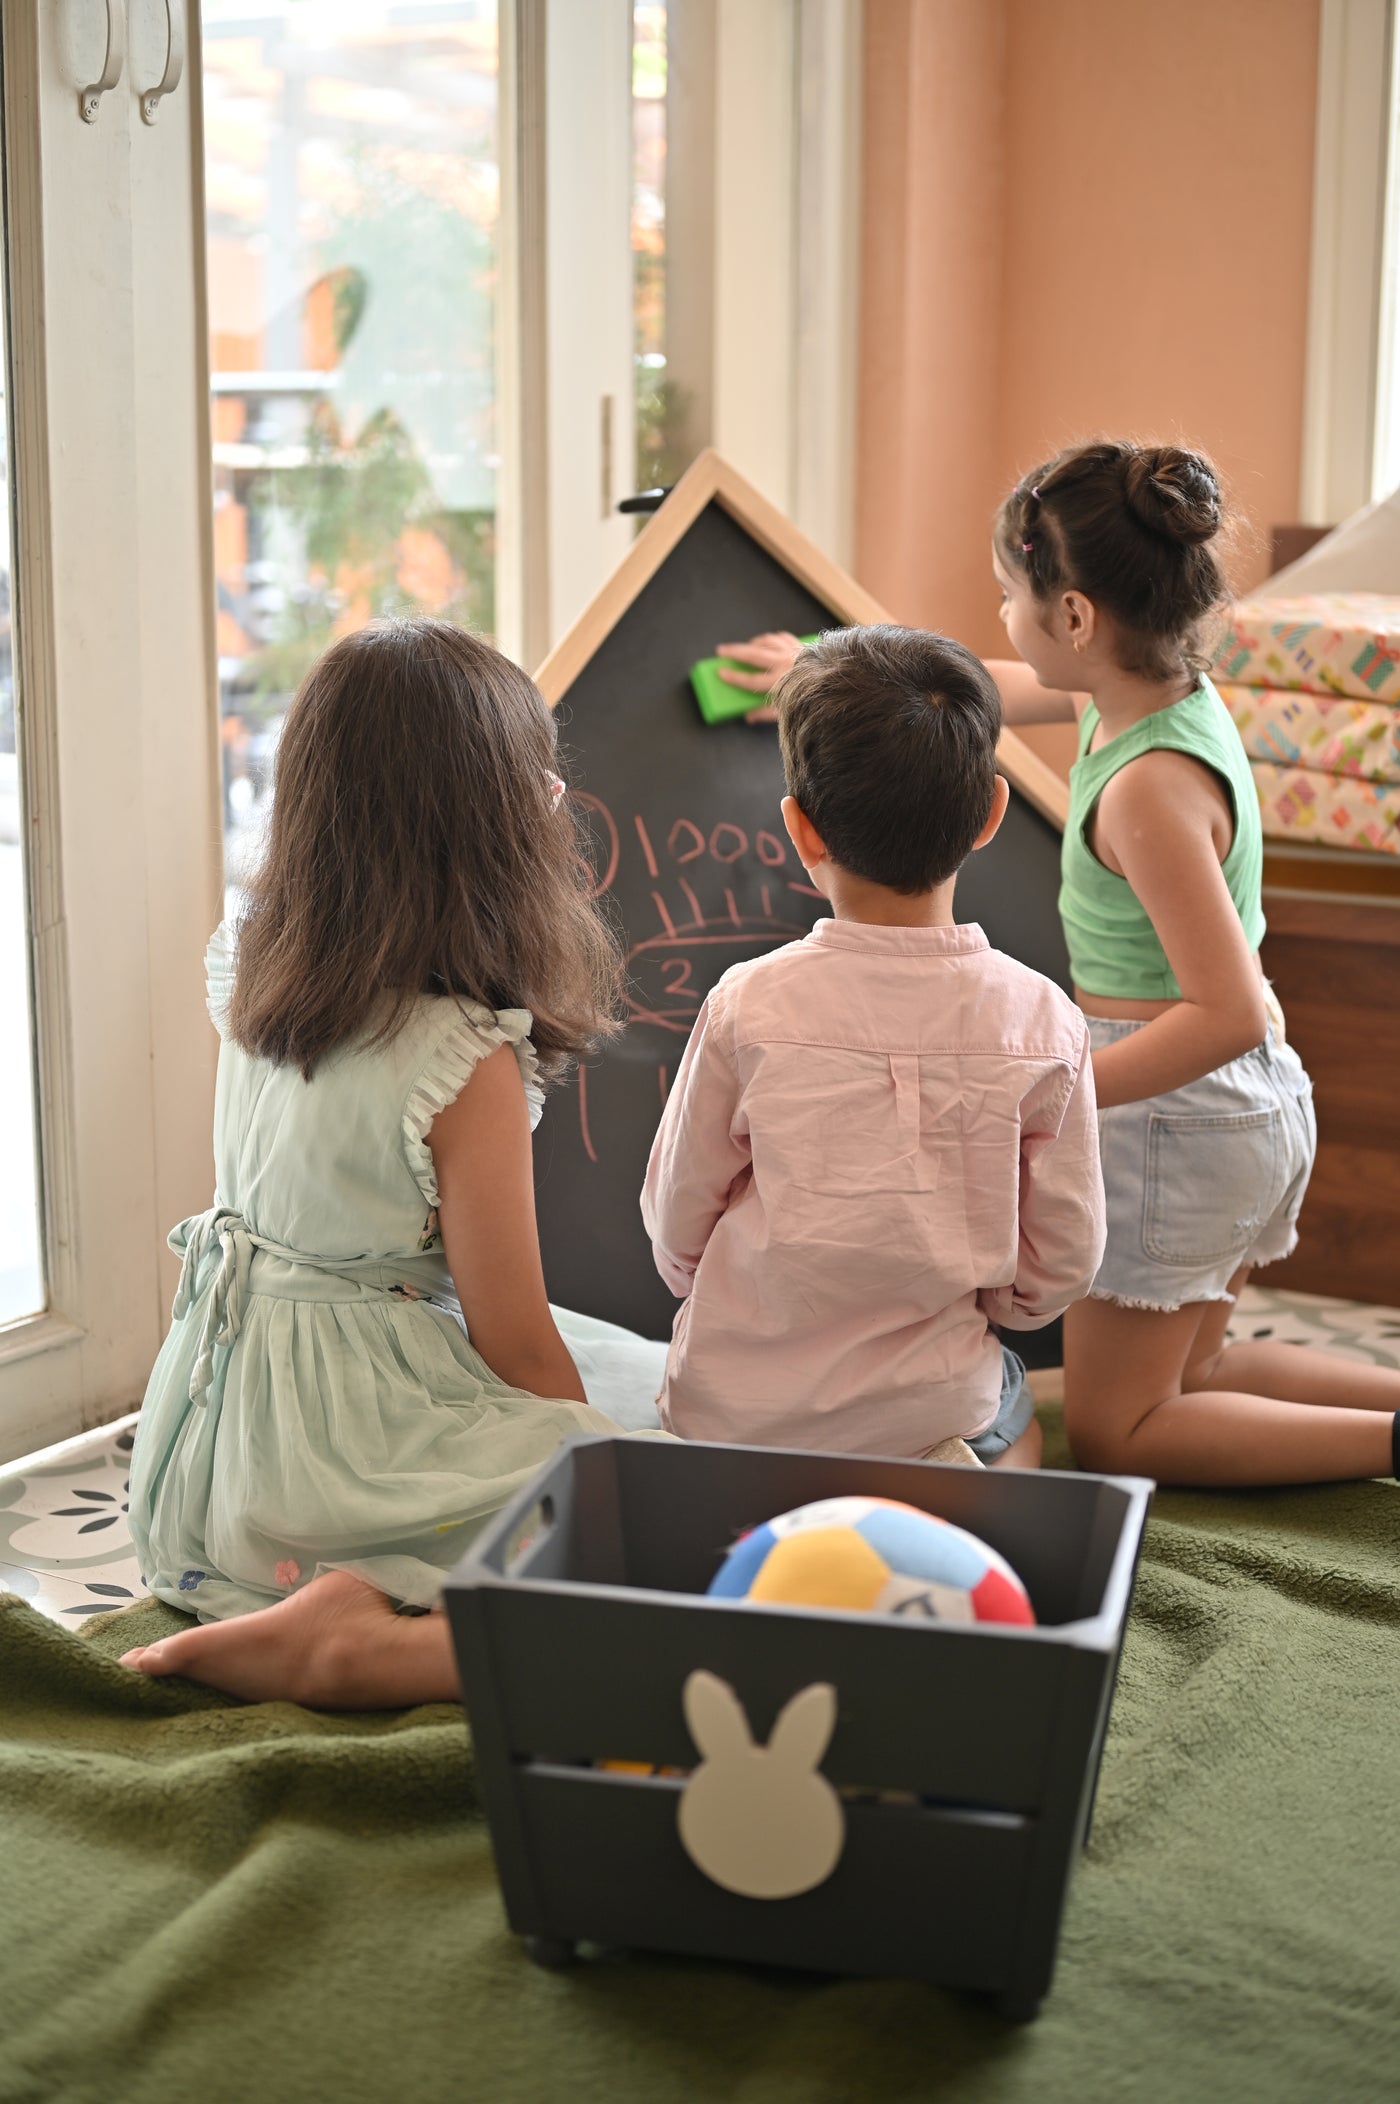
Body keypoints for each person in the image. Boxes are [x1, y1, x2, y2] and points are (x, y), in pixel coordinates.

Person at [718, 441, 1400, 1486]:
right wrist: (822, 660)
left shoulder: (1144, 790)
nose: (999, 616)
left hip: (1172, 1109)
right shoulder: (1140, 694)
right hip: (1228, 1109)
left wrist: (1060, 1086)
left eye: (1007, 596)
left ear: (1073, 618)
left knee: (1120, 1427)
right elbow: (974, 690)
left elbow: (1224, 1010)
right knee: (1199, 1363)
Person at [122, 619, 667, 1707]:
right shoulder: (459, 1053)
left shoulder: (251, 964)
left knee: (632, 1375)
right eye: (536, 779)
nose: (556, 795)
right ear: (487, 826)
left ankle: (325, 1601)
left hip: (214, 1462)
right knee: (654, 1527)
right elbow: (514, 1341)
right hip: (347, 1451)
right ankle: (360, 1648)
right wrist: (607, 1473)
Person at [642, 624, 1106, 1465]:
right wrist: (1004, 1302)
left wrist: (713, 1290)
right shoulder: (1043, 1020)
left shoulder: (745, 1003)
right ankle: (969, 1510)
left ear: (801, 829)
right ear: (992, 812)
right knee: (1018, 1412)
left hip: (732, 1418)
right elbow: (1064, 1256)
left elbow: (678, 1217)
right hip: (926, 1418)